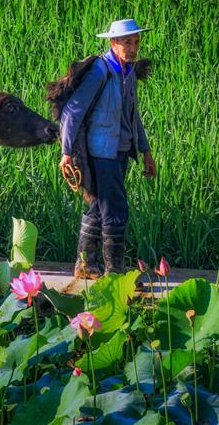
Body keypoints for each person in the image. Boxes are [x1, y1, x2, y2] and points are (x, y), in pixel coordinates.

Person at [59, 18, 157, 278]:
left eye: (136, 42)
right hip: (102, 153)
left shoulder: (128, 74)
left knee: (99, 206)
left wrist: (146, 151)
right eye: (127, 42)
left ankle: (86, 264)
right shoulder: (101, 72)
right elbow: (72, 112)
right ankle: (115, 273)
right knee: (115, 208)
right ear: (114, 43)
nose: (133, 47)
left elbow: (133, 118)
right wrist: (66, 152)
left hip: (121, 150)